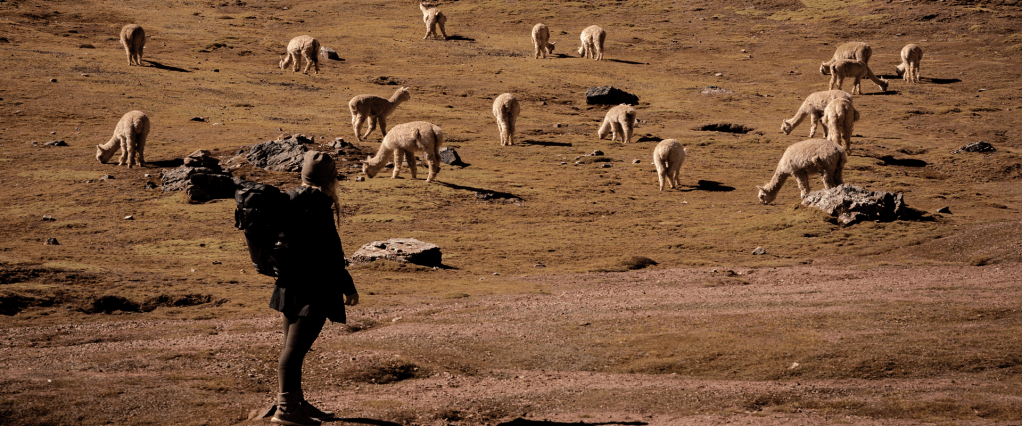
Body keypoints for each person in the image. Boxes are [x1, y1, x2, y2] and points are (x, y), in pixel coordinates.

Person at [269, 151, 358, 426]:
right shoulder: (319, 205)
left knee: (290, 348)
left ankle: (295, 402)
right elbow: (331, 253)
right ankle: (286, 410)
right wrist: (348, 287)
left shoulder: (287, 200)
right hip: (314, 290)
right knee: (293, 352)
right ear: (330, 179)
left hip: (288, 286)